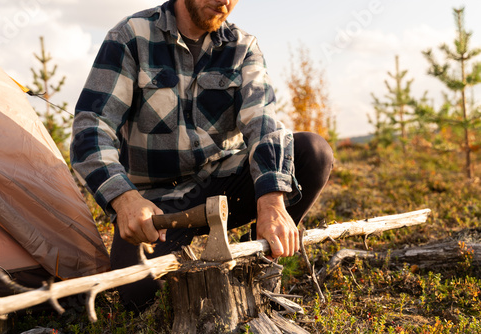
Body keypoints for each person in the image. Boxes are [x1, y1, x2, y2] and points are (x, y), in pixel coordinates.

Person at [71, 0, 333, 311]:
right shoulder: (131, 36)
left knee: (312, 151)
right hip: (157, 206)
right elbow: (91, 129)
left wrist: (272, 201)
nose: (225, 1)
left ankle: (261, 265)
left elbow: (263, 125)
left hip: (224, 185)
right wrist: (124, 199)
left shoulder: (243, 47)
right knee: (140, 298)